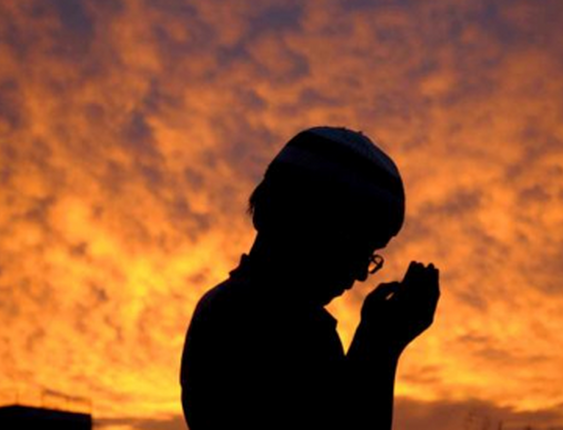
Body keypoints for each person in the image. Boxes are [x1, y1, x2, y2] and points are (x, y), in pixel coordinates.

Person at [180, 126, 440, 430]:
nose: (359, 273)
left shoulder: (236, 306)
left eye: (369, 256)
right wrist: (380, 345)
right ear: (301, 221)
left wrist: (375, 338)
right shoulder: (273, 321)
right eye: (357, 247)